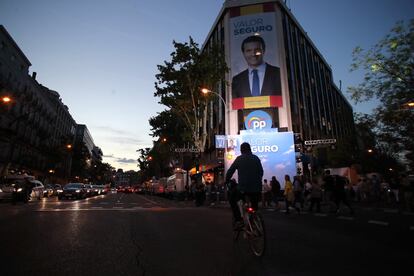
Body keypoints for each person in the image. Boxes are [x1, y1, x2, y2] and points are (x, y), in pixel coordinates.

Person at [225, 142, 264, 228]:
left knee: (232, 198)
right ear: (250, 149)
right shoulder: (256, 158)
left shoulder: (239, 159)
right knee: (254, 207)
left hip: (243, 189)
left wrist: (226, 181)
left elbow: (230, 171)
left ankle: (239, 220)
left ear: (241, 150)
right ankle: (254, 223)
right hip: (257, 189)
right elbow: (261, 172)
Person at [231, 35, 281, 100]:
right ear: (243, 53)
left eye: (257, 50)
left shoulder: (278, 73)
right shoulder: (237, 80)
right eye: (249, 51)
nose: (253, 54)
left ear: (264, 51)